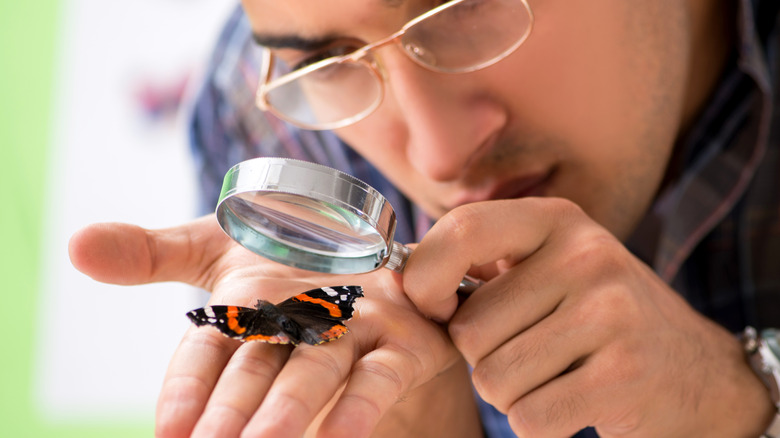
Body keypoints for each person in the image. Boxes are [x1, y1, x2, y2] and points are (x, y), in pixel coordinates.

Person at [68, 0, 780, 436]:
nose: (440, 158)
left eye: (465, 6)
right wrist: (416, 418)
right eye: (330, 58)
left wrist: (732, 402)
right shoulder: (278, 107)